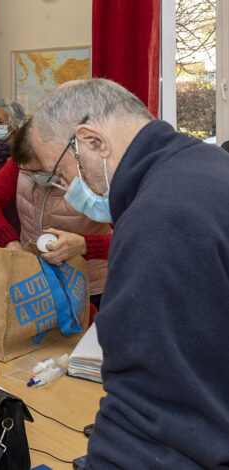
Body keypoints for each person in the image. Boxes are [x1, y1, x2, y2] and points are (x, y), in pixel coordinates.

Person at [29, 78, 229, 468]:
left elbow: (154, 418)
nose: (68, 188)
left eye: (62, 173)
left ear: (92, 142)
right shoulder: (205, 164)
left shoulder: (159, 218)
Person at [0, 119, 112, 310]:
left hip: (87, 286)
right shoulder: (23, 164)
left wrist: (83, 245)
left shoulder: (98, 174)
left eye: (39, 170)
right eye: (26, 171)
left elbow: (133, 238)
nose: (32, 176)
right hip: (36, 279)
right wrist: (11, 242)